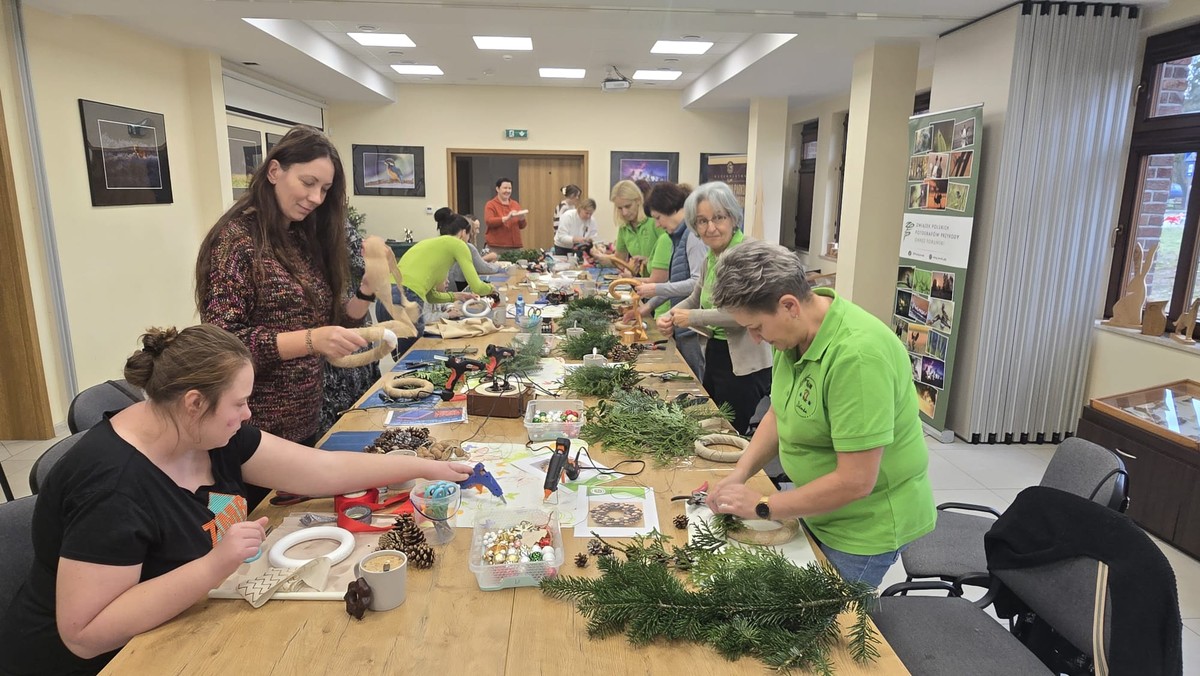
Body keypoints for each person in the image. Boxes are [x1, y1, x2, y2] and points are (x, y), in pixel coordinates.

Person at [0, 325, 472, 676]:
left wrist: (422, 467)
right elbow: (85, 634)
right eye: (240, 403)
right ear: (193, 403)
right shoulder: (111, 486)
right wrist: (215, 564)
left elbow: (321, 470)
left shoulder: (206, 433)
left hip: (184, 620)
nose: (248, 414)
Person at [702, 240, 936, 588]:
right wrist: (740, 474)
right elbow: (779, 414)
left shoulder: (857, 357)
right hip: (820, 509)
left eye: (756, 327)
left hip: (865, 527)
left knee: (822, 629)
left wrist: (764, 505)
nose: (754, 339)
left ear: (789, 305)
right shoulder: (794, 335)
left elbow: (856, 481)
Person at [195, 125, 373, 449]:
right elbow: (224, 344)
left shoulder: (300, 238)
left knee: (300, 500)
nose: (316, 198)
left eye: (325, 189)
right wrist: (310, 340)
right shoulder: (237, 241)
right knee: (238, 504)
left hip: (304, 423)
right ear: (275, 171)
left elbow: (330, 327)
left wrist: (367, 290)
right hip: (250, 431)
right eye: (308, 183)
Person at [656, 181, 770, 435]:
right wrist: (670, 314)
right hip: (716, 353)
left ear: (733, 217)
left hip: (744, 364)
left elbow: (743, 315)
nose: (711, 227)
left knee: (728, 431)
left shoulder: (746, 255)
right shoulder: (713, 255)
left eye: (718, 218)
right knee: (712, 424)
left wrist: (691, 317)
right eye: (702, 221)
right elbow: (696, 297)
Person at [384, 214, 495, 357]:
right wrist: (492, 289)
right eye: (469, 234)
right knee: (415, 358)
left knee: (404, 359)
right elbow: (478, 287)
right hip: (406, 298)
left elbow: (431, 296)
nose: (468, 240)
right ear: (462, 233)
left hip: (386, 297)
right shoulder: (459, 244)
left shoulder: (431, 245)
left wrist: (458, 295)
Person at [318, 222, 382, 437]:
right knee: (342, 430)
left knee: (360, 421)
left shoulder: (336, 226)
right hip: (329, 367)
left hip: (350, 344)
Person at [639, 182, 707, 381]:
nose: (658, 225)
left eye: (658, 218)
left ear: (671, 209)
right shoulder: (678, 236)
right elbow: (677, 279)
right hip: (682, 324)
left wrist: (655, 288)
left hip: (692, 326)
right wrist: (649, 306)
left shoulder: (693, 236)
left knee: (695, 381)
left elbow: (696, 283)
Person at [443, 210, 504, 292]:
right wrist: (499, 267)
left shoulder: (445, 242)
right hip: (457, 286)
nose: (477, 232)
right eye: (476, 229)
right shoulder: (467, 246)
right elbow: (482, 268)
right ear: (464, 232)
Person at [610, 179, 659, 276]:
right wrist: (598, 257)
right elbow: (619, 260)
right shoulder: (624, 227)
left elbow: (670, 259)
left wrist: (648, 261)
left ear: (638, 200)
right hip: (642, 284)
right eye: (619, 208)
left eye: (628, 206)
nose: (624, 213)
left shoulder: (655, 221)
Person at [484, 177, 526, 252]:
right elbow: (489, 221)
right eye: (505, 188)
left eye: (510, 188)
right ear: (497, 189)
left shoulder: (515, 204)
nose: (508, 191)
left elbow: (522, 226)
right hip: (496, 246)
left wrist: (522, 218)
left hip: (514, 246)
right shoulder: (491, 204)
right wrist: (506, 218)